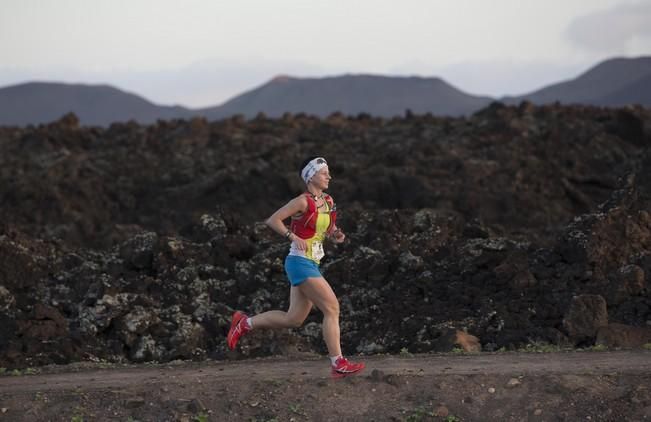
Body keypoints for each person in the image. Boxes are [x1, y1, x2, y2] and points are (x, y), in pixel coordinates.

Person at [226, 156, 365, 378]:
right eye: (323, 173)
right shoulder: (302, 201)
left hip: (312, 262)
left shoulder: (328, 201)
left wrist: (335, 234)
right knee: (332, 308)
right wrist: (291, 236)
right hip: (299, 263)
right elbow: (273, 220)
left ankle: (244, 323)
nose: (329, 176)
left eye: (328, 172)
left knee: (294, 319)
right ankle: (338, 363)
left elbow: (328, 228)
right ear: (311, 177)